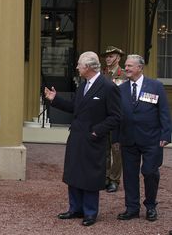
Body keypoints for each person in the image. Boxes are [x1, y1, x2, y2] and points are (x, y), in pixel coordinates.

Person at [44, 51, 121, 226]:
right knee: (74, 173)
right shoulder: (83, 85)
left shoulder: (108, 87)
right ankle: (75, 209)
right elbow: (75, 108)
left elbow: (116, 117)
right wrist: (55, 99)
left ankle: (90, 212)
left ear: (88, 67)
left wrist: (97, 131)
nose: (77, 67)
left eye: (79, 64)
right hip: (77, 137)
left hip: (93, 139)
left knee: (90, 175)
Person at [116, 54, 171, 222]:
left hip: (152, 139)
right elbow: (117, 115)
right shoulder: (121, 89)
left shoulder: (155, 86)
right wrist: (116, 138)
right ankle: (132, 208)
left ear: (140, 68)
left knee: (150, 172)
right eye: (126, 65)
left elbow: (164, 112)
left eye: (130, 66)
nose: (126, 68)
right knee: (130, 175)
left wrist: (166, 134)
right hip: (128, 139)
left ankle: (151, 206)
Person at [101, 46, 127, 193]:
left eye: (111, 56)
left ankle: (114, 179)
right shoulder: (101, 74)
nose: (108, 59)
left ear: (118, 57)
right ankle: (104, 177)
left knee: (116, 150)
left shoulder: (123, 75)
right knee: (103, 149)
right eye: (107, 56)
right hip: (103, 118)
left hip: (117, 118)